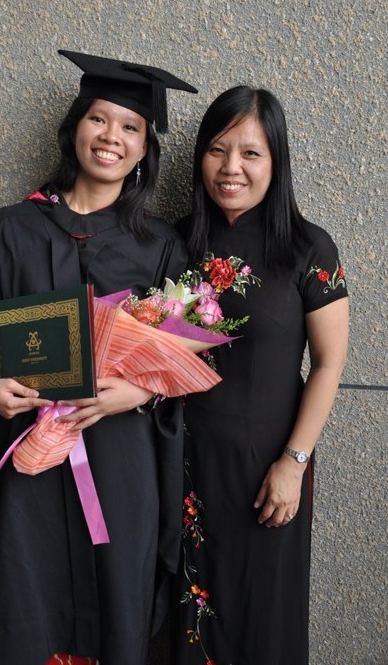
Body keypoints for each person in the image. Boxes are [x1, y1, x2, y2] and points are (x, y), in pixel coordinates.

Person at [0, 50, 198, 665]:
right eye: (98, 119)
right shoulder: (8, 230)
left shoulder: (161, 246)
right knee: (33, 599)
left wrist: (142, 389)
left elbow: (184, 354)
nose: (111, 137)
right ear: (75, 127)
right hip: (35, 456)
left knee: (119, 597)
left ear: (144, 149)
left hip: (122, 458)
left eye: (130, 127)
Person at [171, 86, 349, 665]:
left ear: (276, 161)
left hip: (269, 471)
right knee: (182, 621)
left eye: (251, 153)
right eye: (217, 150)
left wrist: (294, 463)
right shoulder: (174, 242)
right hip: (182, 466)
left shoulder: (309, 248)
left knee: (264, 619)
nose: (231, 168)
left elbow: (329, 363)